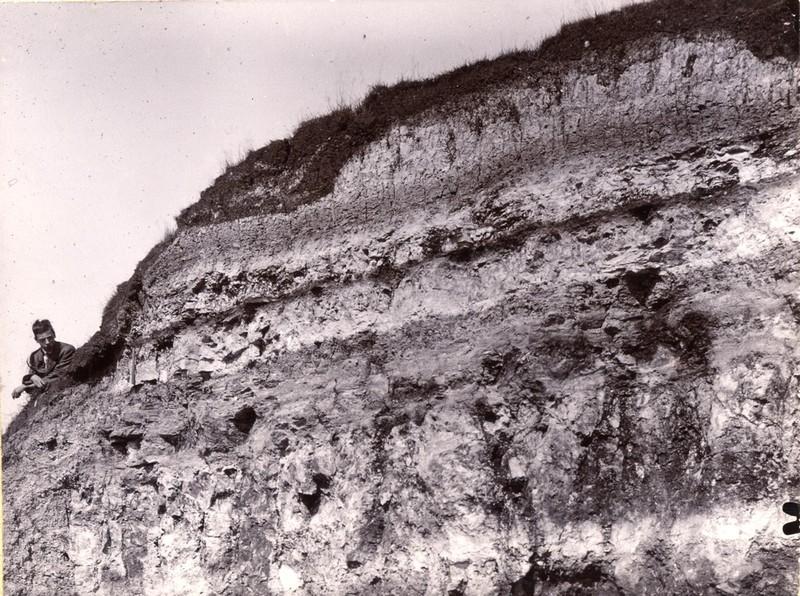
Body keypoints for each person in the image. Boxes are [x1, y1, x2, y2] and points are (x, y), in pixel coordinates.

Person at [11, 319, 76, 399]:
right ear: (36, 340)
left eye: (50, 338)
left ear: (54, 335)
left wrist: (24, 386)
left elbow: (57, 375)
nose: (47, 342)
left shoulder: (67, 350)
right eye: (42, 340)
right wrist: (31, 376)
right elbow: (32, 380)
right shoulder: (34, 356)